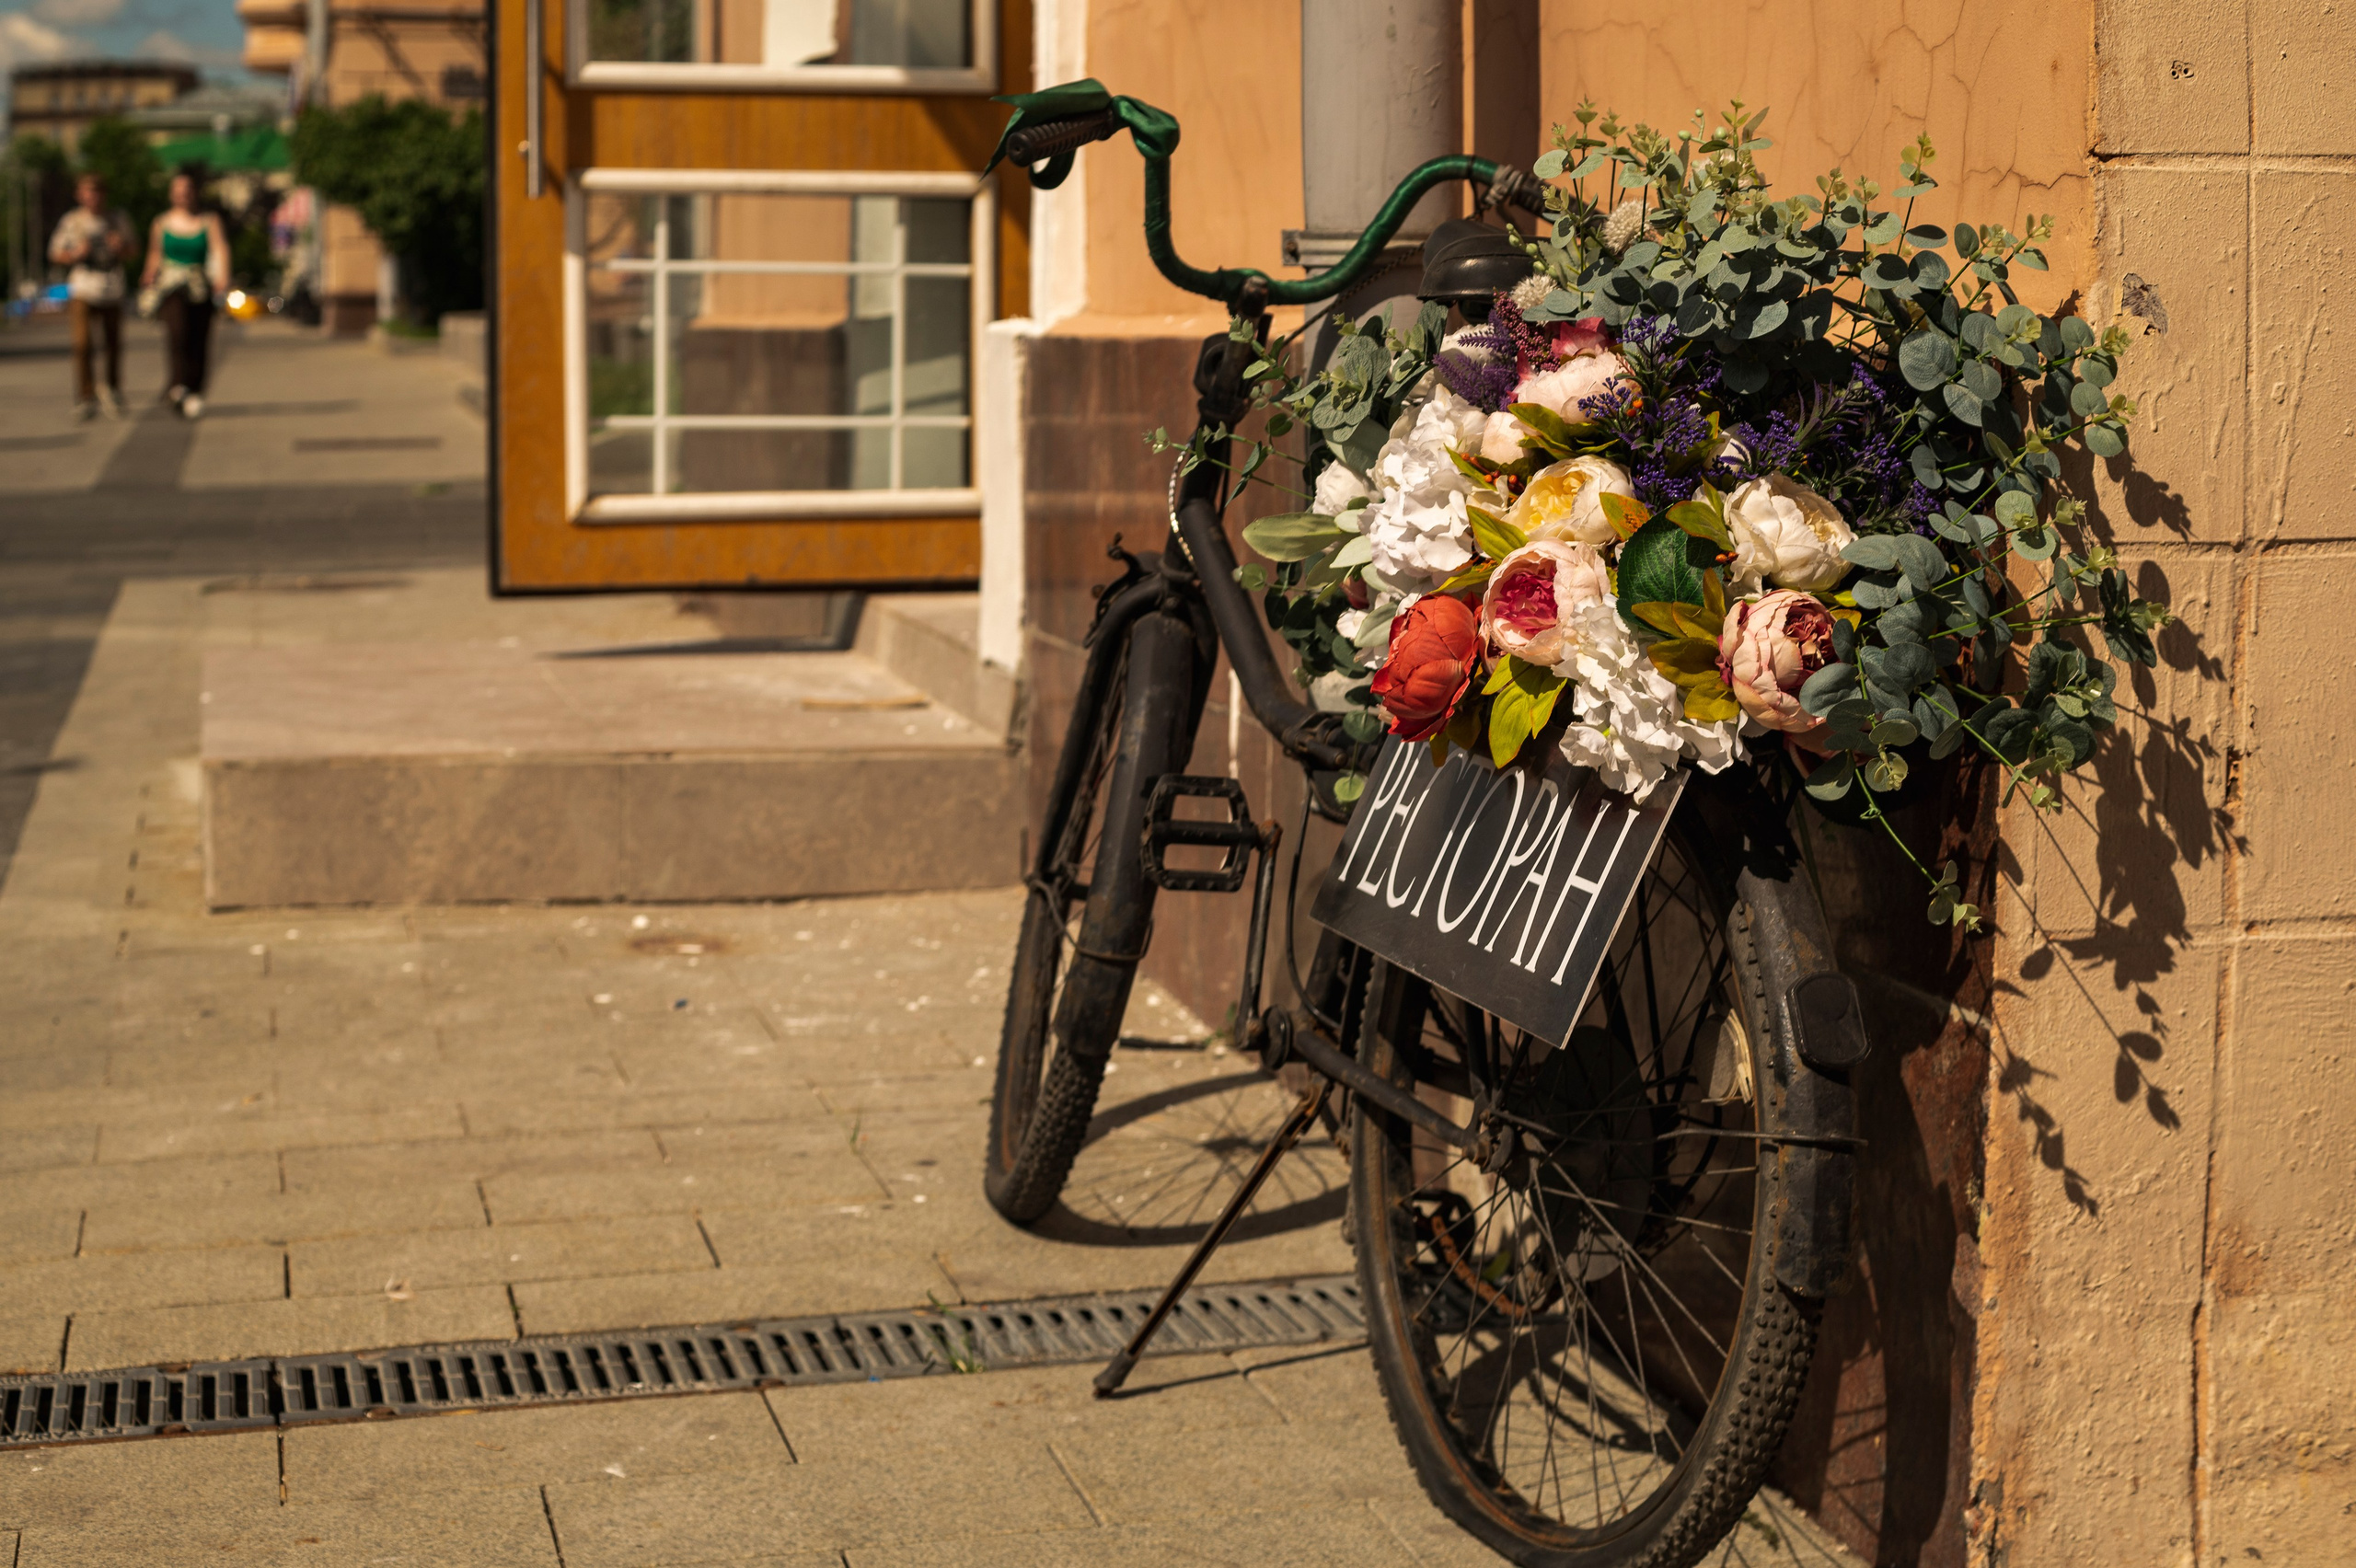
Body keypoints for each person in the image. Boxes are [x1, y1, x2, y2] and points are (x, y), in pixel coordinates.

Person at [142, 169, 230, 421]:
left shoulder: (209, 221)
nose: (183, 196)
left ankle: (195, 389)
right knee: (177, 333)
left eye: (187, 190)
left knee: (199, 339)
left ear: (194, 193)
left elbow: (220, 249)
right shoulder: (161, 223)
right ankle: (178, 384)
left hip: (200, 285)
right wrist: (149, 274)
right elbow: (155, 253)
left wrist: (222, 278)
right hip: (171, 287)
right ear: (172, 195)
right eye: (178, 191)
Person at [48, 173, 133, 421]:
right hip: (83, 288)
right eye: (87, 192)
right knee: (82, 344)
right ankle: (86, 396)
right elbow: (55, 253)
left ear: (103, 195)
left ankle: (112, 390)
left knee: (113, 344)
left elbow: (134, 250)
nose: (92, 197)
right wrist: (75, 254)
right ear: (79, 195)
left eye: (96, 192)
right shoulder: (72, 221)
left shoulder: (117, 219)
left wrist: (120, 247)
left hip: (112, 287)